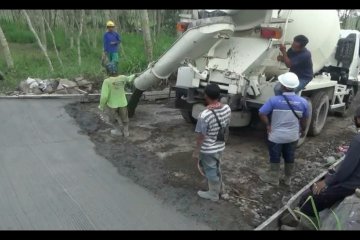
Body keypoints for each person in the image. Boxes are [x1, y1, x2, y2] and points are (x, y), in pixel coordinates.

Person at [281, 106, 360, 230]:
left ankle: (304, 227)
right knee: (324, 181)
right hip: (354, 182)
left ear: (358, 119)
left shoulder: (358, 141)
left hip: (350, 185)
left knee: (311, 199)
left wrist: (327, 182)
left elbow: (345, 172)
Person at [259, 72, 309, 186]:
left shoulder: (273, 100)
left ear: (283, 86)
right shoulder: (303, 102)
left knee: (275, 156)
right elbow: (304, 119)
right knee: (290, 155)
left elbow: (262, 113)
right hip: (292, 136)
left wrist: (268, 125)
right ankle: (288, 179)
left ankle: (274, 178)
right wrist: (303, 130)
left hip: (276, 136)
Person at [192, 83, 231, 201]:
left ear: (206, 96)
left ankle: (213, 194)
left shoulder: (204, 115)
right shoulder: (227, 108)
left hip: (208, 149)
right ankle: (221, 189)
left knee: (209, 169)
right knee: (216, 166)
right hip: (220, 145)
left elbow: (201, 136)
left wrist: (196, 151)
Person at [98, 62, 135, 137]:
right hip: (123, 102)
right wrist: (134, 75)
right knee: (125, 117)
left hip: (112, 104)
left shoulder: (107, 81)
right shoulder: (123, 77)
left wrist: (101, 106)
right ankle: (126, 132)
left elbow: (104, 96)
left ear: (108, 71)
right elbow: (129, 79)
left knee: (114, 117)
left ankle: (118, 131)